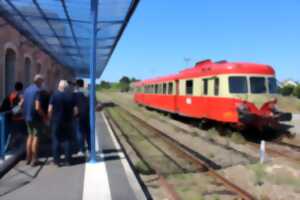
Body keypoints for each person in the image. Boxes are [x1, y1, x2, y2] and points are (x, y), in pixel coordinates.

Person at [48, 80, 78, 166]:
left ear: (59, 86)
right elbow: (75, 111)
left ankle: (56, 161)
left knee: (56, 140)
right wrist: (72, 118)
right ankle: (68, 160)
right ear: (66, 87)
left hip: (56, 121)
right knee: (67, 140)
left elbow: (49, 110)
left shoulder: (54, 95)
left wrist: (50, 119)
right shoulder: (71, 96)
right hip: (68, 121)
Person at [23, 74, 46, 166]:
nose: (43, 83)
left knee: (30, 136)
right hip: (35, 118)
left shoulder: (26, 90)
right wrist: (44, 115)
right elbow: (37, 107)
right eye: (42, 81)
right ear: (39, 81)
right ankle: (34, 159)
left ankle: (28, 158)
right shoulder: (38, 91)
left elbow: (21, 103)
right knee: (36, 137)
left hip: (26, 117)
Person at [74, 79, 90, 154]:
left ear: (77, 85)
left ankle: (81, 149)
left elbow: (73, 104)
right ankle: (90, 149)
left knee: (79, 132)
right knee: (88, 132)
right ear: (83, 84)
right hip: (88, 114)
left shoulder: (75, 93)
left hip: (79, 115)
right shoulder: (88, 92)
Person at [8, 82, 26, 148]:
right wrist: (21, 103)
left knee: (14, 134)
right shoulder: (19, 96)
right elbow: (16, 109)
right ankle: (16, 147)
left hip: (13, 118)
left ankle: (13, 146)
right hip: (19, 118)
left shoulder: (11, 95)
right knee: (20, 135)